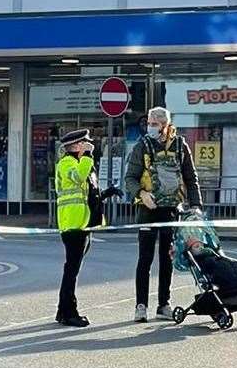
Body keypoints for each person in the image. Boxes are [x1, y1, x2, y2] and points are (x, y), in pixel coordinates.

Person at [124, 106, 202, 323]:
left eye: (155, 124)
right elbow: (130, 178)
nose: (150, 127)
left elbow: (190, 177)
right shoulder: (142, 146)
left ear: (166, 126)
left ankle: (163, 304)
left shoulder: (180, 145)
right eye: (149, 122)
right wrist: (141, 194)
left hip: (171, 210)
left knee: (167, 259)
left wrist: (195, 205)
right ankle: (141, 306)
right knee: (145, 259)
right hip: (147, 210)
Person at [54, 129, 122, 327]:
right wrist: (88, 156)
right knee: (71, 270)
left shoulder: (81, 163)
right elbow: (77, 177)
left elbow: (89, 193)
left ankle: (62, 310)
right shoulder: (67, 163)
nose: (90, 146)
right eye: (85, 143)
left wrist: (107, 193)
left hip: (84, 223)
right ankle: (69, 312)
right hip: (73, 224)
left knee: (72, 269)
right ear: (76, 146)